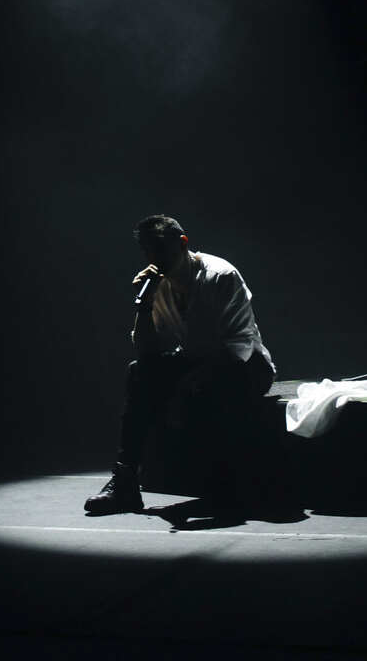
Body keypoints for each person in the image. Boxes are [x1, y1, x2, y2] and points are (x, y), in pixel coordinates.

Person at [85, 214, 277, 517]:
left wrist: (185, 387)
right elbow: (147, 352)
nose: (156, 258)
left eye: (161, 248)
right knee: (138, 371)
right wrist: (144, 305)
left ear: (183, 243)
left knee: (218, 385)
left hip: (244, 365)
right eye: (149, 251)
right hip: (196, 359)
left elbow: (238, 348)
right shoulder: (157, 285)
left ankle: (230, 483)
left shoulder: (220, 275)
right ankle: (125, 482)